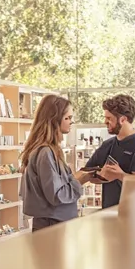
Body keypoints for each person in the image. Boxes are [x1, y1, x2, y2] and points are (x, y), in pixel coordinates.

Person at [20, 95, 88, 231]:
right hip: (53, 224)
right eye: (67, 118)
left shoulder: (52, 150)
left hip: (58, 222)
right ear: (53, 120)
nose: (71, 122)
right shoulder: (45, 153)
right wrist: (79, 180)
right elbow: (57, 195)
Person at [80, 94, 135, 208]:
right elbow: (88, 174)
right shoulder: (107, 145)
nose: (105, 121)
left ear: (123, 119)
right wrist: (101, 175)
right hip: (109, 213)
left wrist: (120, 175)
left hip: (134, 216)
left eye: (109, 118)